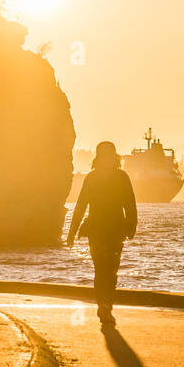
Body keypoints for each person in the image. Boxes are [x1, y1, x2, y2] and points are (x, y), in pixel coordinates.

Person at [66, 141, 137, 329]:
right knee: (100, 269)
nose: (107, 159)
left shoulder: (122, 177)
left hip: (115, 230)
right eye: (104, 156)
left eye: (110, 155)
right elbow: (81, 206)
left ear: (115, 158)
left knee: (111, 270)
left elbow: (130, 204)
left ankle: (107, 307)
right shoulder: (92, 178)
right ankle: (102, 306)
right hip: (96, 229)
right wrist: (71, 232)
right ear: (98, 158)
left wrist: (132, 227)